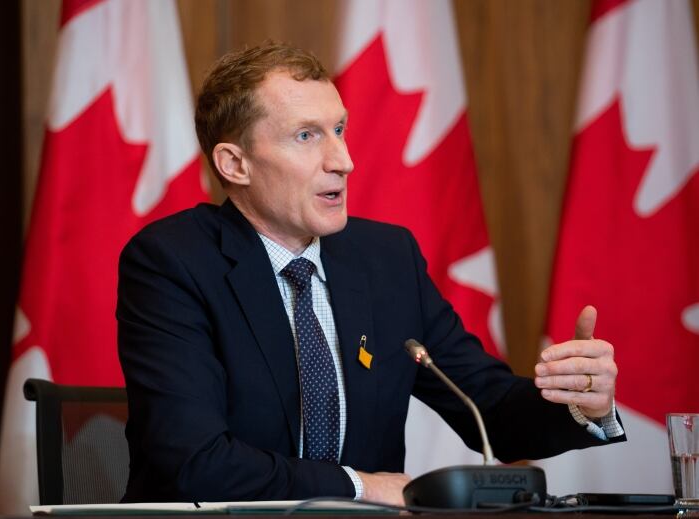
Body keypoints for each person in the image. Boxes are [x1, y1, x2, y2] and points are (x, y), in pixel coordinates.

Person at [117, 42, 624, 505]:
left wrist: (580, 404)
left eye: (339, 129)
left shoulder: (386, 258)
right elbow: (197, 464)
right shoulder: (172, 262)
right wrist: (361, 486)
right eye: (306, 136)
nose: (344, 160)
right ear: (235, 163)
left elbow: (488, 407)